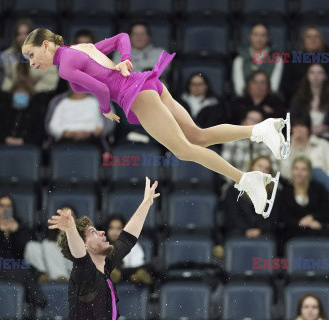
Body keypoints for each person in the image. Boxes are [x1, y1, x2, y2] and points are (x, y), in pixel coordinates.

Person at [22, 29, 290, 216]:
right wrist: (126, 59)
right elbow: (121, 38)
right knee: (198, 136)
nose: (31, 63)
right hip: (148, 83)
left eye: (32, 55)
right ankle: (262, 129)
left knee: (184, 150)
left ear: (46, 45)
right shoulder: (79, 48)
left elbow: (103, 91)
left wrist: (105, 110)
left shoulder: (66, 66)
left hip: (135, 95)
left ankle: (246, 179)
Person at [48, 177, 158, 319]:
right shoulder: (83, 273)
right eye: (93, 232)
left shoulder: (106, 265)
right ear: (84, 245)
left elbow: (126, 239)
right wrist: (71, 230)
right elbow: (80, 257)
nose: (102, 232)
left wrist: (145, 204)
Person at [0, 194, 47, 308]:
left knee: (25, 272)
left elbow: (27, 251)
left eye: (8, 206)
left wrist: (17, 231)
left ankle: (38, 306)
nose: (5, 209)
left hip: (13, 267)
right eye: (2, 206)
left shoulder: (20, 226)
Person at [280, 117, 329, 208]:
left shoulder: (323, 145)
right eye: (295, 126)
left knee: (315, 171)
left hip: (321, 188)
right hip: (297, 187)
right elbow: (284, 173)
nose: (298, 129)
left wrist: (322, 180)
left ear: (308, 128)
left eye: (302, 126)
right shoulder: (287, 148)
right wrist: (292, 149)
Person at [281, 26, 329, 101]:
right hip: (300, 99)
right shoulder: (292, 59)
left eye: (316, 37)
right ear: (303, 41)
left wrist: (327, 92)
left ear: (322, 41)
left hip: (327, 99)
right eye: (309, 37)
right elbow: (285, 85)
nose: (313, 40)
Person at [223, 156, 280, 239]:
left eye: (266, 168)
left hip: (264, 233)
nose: (262, 171)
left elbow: (273, 219)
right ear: (251, 167)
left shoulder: (274, 193)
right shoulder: (234, 189)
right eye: (260, 166)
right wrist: (246, 230)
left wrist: (260, 230)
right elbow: (233, 215)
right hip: (239, 231)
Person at [290, 64, 329, 148]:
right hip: (303, 139)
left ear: (325, 76)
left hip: (328, 141)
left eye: (319, 73)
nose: (316, 76)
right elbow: (293, 121)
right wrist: (307, 129)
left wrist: (326, 128)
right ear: (307, 76)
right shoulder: (298, 99)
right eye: (312, 73)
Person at [1, 18, 59, 95]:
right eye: (19, 34)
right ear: (15, 37)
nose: (23, 38)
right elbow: (2, 80)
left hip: (39, 95)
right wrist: (15, 86)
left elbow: (52, 81)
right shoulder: (6, 55)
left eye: (26, 34)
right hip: (12, 94)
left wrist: (32, 89)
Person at [232, 23, 283, 96]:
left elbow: (274, 88)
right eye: (255, 35)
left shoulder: (277, 59)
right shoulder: (239, 60)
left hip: (268, 100)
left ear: (267, 38)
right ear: (250, 36)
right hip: (245, 100)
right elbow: (239, 89)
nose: (259, 39)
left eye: (263, 35)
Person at [0, 79, 44, 146]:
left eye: (24, 92)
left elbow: (39, 133)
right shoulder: (3, 109)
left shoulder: (36, 110)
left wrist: (23, 140)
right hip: (4, 144)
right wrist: (6, 139)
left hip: (28, 145)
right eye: (18, 92)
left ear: (29, 95)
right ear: (13, 93)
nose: (21, 94)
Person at [104, 214, 152, 285]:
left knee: (147, 268)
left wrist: (121, 273)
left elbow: (138, 267)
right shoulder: (101, 245)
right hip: (108, 281)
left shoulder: (132, 244)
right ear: (106, 229)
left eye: (118, 228)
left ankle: (122, 275)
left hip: (130, 279)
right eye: (111, 228)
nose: (114, 232)